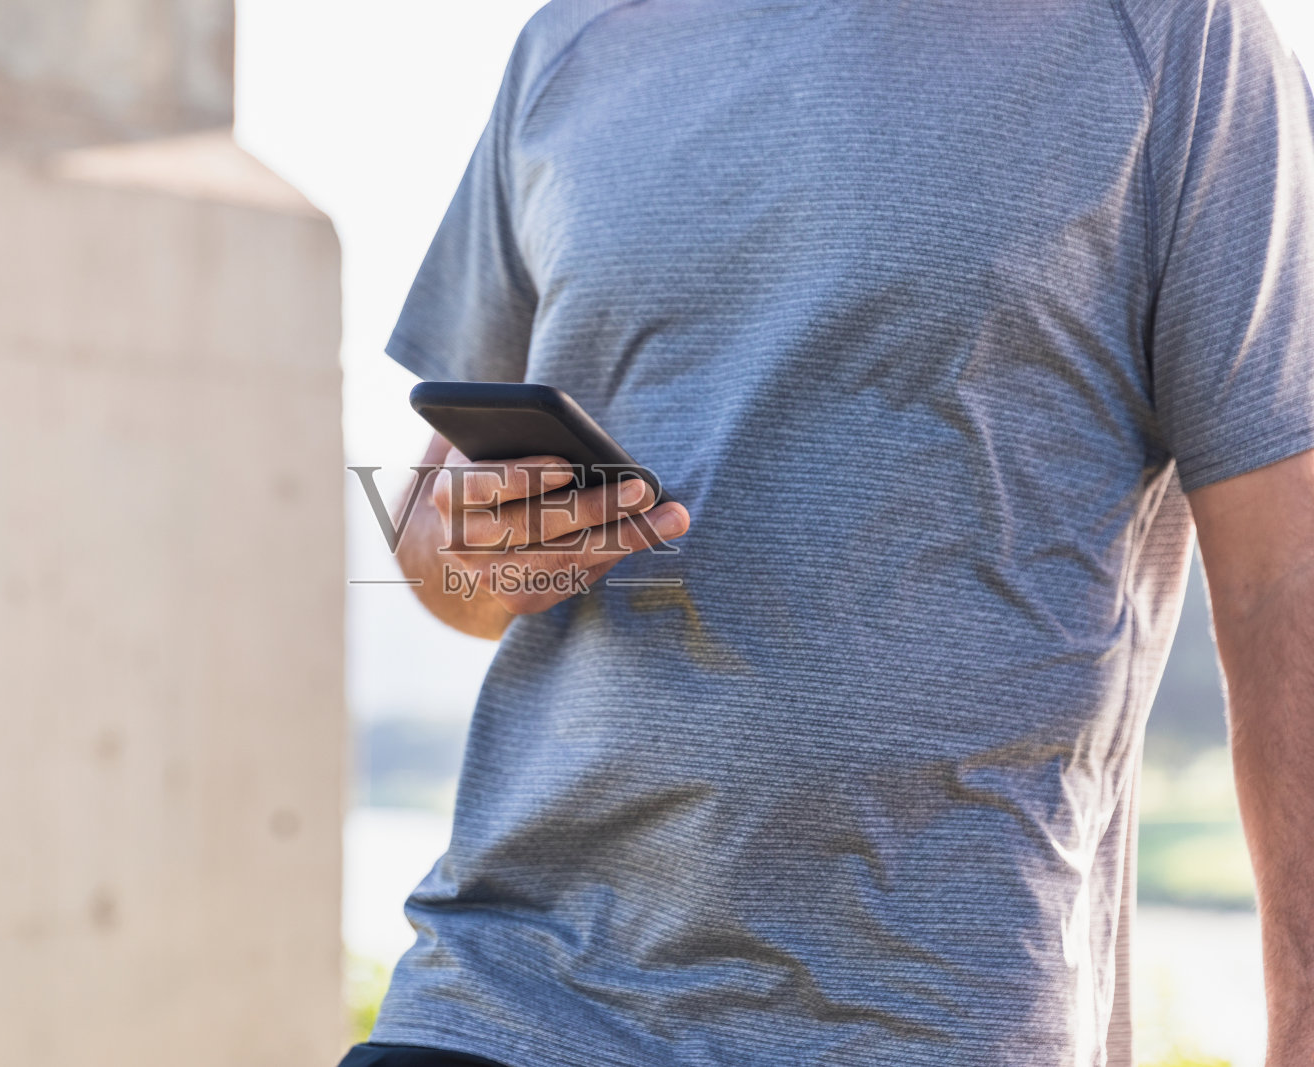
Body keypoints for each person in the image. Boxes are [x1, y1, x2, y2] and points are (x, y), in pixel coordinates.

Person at [341, 0, 1314, 1064]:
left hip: (930, 1015)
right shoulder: (572, 41)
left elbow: (1285, 581)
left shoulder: (1175, 38)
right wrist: (475, 549)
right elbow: (435, 550)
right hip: (508, 989)